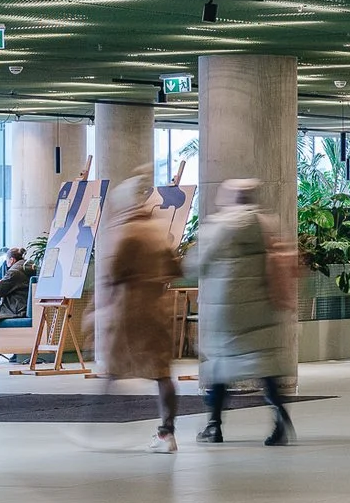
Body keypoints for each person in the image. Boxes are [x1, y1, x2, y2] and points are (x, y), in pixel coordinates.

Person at [188, 178, 295, 446]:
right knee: (264, 364)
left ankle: (214, 425)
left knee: (220, 367)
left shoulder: (220, 226)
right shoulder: (266, 224)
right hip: (261, 306)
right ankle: (280, 416)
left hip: (228, 310)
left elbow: (197, 263)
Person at [98, 177, 184, 453]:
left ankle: (98, 424)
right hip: (157, 308)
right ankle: (166, 431)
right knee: (162, 373)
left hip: (129, 311)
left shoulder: (127, 232)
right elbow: (176, 268)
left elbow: (115, 273)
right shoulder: (157, 230)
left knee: (114, 367)